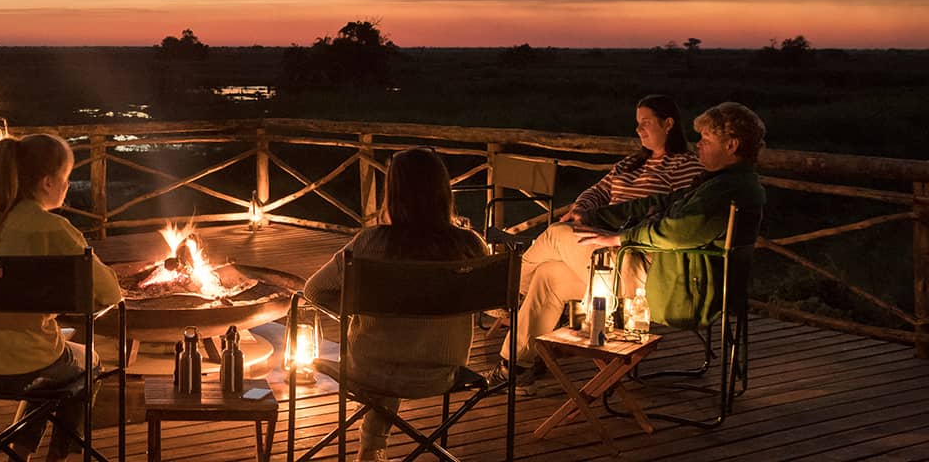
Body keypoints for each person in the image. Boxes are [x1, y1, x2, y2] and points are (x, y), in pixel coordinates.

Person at [499, 102, 766, 387]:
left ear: (732, 145)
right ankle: (513, 366)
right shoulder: (716, 183)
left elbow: (676, 232)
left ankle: (499, 292)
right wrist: (592, 215)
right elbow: (656, 203)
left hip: (670, 291)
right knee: (549, 276)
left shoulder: (729, 191)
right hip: (654, 274)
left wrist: (619, 238)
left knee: (556, 234)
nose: (698, 145)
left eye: (707, 140)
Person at [303, 149, 487, 461]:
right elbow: (486, 297)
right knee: (405, 341)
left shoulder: (369, 243)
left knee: (389, 349)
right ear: (443, 191)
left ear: (394, 192)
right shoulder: (471, 246)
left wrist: (359, 307)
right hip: (440, 374)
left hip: (368, 370)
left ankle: (372, 447)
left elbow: (314, 290)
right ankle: (373, 446)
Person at [0, 134, 123, 462]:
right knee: (86, 361)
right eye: (66, 179)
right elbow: (109, 293)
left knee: (48, 366)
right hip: (30, 359)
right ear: (46, 183)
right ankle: (60, 457)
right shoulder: (54, 230)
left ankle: (20, 454)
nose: (68, 186)